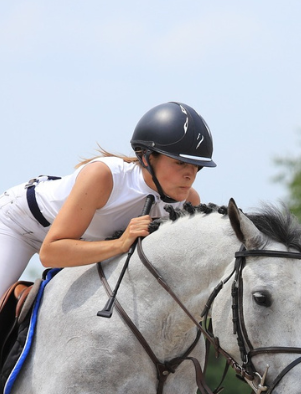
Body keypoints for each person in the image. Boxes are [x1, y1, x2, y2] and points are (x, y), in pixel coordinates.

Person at [0, 102, 216, 298]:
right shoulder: (103, 175)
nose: (190, 175)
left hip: (79, 245)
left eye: (196, 166)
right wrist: (121, 244)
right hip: (20, 224)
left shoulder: (188, 202)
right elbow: (50, 254)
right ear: (147, 157)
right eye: (180, 163)